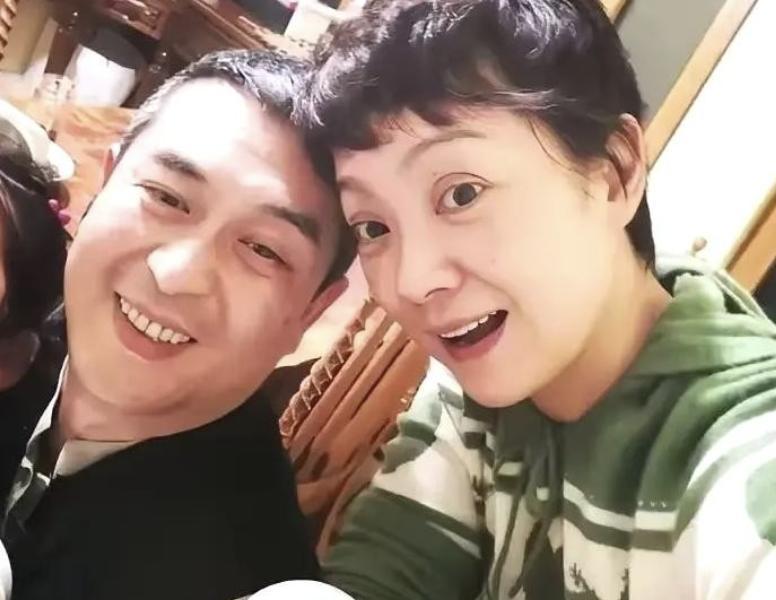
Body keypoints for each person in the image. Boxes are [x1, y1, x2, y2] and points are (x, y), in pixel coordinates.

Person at [302, 0, 776, 598]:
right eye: (373, 227)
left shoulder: (740, 459)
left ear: (614, 171)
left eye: (462, 193)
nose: (412, 281)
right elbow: (387, 570)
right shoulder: (472, 375)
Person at [1, 49, 355, 600]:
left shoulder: (235, 575)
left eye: (263, 249)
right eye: (166, 197)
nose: (176, 275)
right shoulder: (25, 314)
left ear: (310, 313)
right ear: (106, 184)